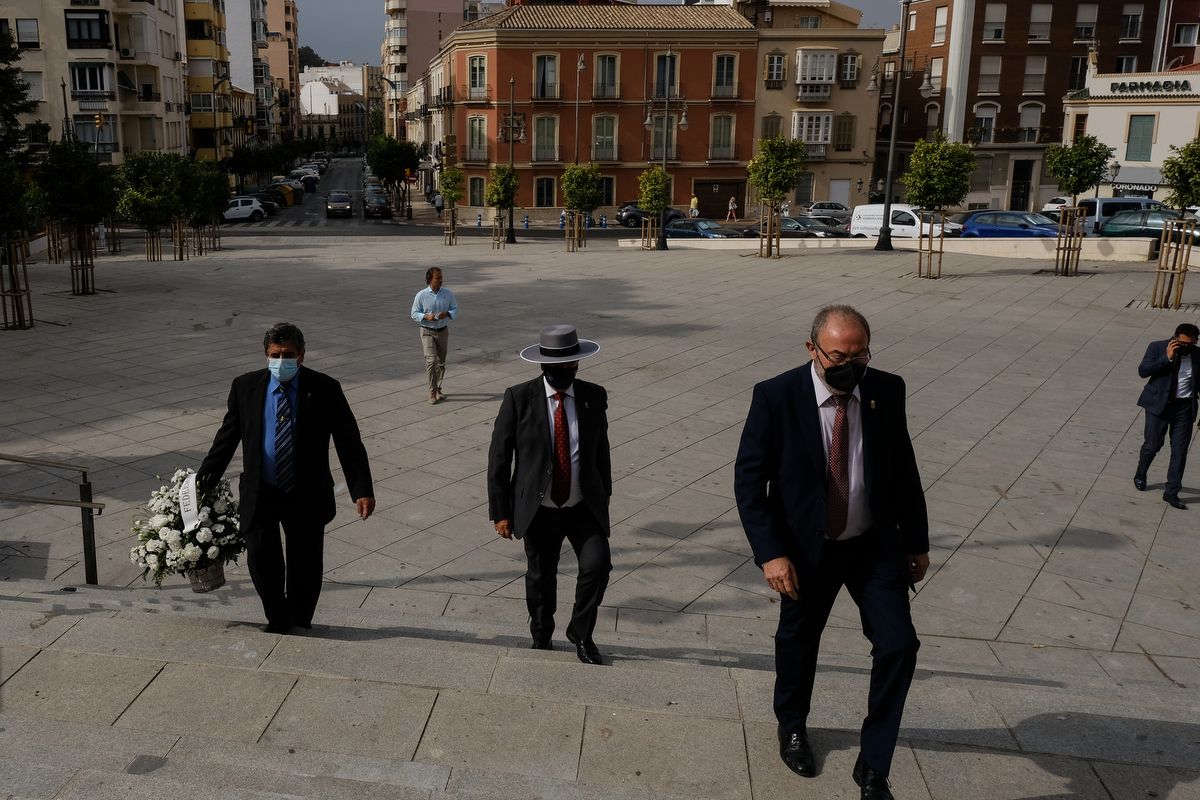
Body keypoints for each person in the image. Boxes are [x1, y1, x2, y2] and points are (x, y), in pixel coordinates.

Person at [734, 305, 928, 800]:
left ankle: (874, 761)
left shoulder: (888, 389)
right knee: (798, 643)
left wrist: (917, 542)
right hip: (805, 550)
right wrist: (771, 554)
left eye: (860, 354)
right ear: (812, 350)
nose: (850, 365)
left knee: (899, 646)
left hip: (872, 546)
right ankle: (793, 726)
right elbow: (749, 483)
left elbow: (903, 468)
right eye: (838, 355)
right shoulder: (776, 396)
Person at [199, 323, 375, 634]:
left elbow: (348, 440)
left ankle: (300, 619)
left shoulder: (324, 388)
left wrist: (361, 489)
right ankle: (277, 618)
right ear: (266, 355)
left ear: (302, 356)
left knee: (305, 564)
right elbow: (226, 439)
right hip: (260, 491)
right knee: (262, 561)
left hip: (305, 492)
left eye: (288, 355)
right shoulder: (246, 387)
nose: (282, 361)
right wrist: (201, 485)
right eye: (275, 355)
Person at [488, 324, 612, 665]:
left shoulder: (592, 396)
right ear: (544, 367)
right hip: (539, 507)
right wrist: (501, 512)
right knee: (541, 577)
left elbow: (602, 452)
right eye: (556, 369)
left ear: (577, 365)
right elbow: (499, 457)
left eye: (569, 368)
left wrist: (605, 497)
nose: (563, 374)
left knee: (598, 565)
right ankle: (541, 635)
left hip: (583, 505)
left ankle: (581, 632)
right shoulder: (519, 398)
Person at [1134, 322, 1199, 509]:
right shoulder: (1157, 347)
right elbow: (1143, 371)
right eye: (1182, 343)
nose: (1186, 347)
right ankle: (1141, 473)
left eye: (1190, 344)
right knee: (1152, 445)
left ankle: (1171, 492)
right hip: (1158, 407)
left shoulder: (1198, 356)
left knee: (1179, 451)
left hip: (1184, 409)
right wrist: (1166, 358)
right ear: (1175, 338)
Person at [410, 267, 458, 404]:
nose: (441, 280)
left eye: (441, 277)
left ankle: (438, 388)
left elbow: (455, 309)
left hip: (442, 331)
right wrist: (426, 316)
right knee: (431, 361)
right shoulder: (421, 295)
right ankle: (432, 391)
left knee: (441, 363)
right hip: (427, 332)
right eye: (438, 278)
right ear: (430, 279)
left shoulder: (448, 293)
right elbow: (413, 313)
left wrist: (447, 314)